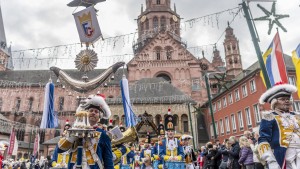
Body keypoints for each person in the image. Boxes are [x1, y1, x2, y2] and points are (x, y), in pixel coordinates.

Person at [56, 94, 114, 169]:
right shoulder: (72, 130)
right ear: (85, 113)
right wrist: (73, 135)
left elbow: (108, 161)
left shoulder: (104, 135)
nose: (93, 113)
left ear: (100, 116)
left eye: (96, 112)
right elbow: (59, 150)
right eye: (91, 111)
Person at [258, 83, 299, 169]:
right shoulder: (269, 116)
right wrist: (270, 159)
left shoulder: (297, 115)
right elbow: (263, 139)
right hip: (283, 155)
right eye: (283, 99)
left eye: (288, 99)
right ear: (274, 102)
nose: (287, 101)